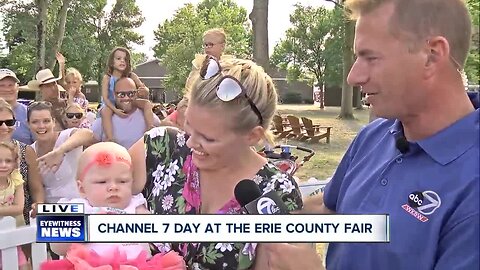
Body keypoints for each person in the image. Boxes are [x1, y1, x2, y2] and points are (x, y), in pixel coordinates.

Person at [255, 0, 479, 269]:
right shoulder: (374, 136)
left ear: (432, 54)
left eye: (371, 57)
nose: (353, 76)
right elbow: (331, 209)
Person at [129, 57, 304, 269]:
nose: (191, 142)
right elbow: (95, 206)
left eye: (208, 138)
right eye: (189, 126)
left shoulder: (276, 192)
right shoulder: (160, 148)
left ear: (252, 136)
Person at [41, 142, 185, 270]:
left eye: (122, 181)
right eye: (102, 182)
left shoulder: (134, 204)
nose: (113, 187)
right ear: (82, 188)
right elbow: (56, 246)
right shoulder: (79, 207)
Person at [28, 101, 96, 203]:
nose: (41, 126)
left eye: (46, 121)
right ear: (28, 124)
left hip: (80, 203)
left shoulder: (67, 136)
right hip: (52, 209)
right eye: (35, 122)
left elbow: (89, 135)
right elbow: (36, 188)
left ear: (54, 122)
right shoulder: (30, 150)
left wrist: (60, 151)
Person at [0, 98, 44, 225]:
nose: (4, 127)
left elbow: (36, 188)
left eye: (9, 122)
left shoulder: (26, 150)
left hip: (20, 222)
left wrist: (38, 204)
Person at [100, 47, 153, 142]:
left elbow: (143, 87)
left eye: (125, 59)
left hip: (130, 101)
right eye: (118, 58)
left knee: (147, 104)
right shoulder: (107, 78)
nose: (122, 61)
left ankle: (150, 127)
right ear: (112, 62)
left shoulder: (132, 76)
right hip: (112, 104)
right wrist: (115, 110)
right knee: (105, 111)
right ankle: (110, 137)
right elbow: (105, 98)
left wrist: (145, 91)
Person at [91, 77, 161, 149]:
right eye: (121, 94)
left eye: (131, 94)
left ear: (137, 93)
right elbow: (91, 146)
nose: (126, 98)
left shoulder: (151, 118)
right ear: (114, 95)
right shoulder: (103, 122)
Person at [0, 142, 28, 270]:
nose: (3, 165)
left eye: (8, 161)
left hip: (12, 234)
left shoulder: (15, 180)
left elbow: (18, 208)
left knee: (22, 265)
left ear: (14, 163)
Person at [184, 28, 233, 93]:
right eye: (206, 45)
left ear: (222, 46)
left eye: (211, 44)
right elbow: (189, 90)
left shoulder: (230, 67)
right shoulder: (198, 65)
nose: (207, 47)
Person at [0, 68, 35, 145]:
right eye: (2, 85)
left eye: (11, 85)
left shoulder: (29, 113)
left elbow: (39, 144)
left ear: (17, 88)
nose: (7, 89)